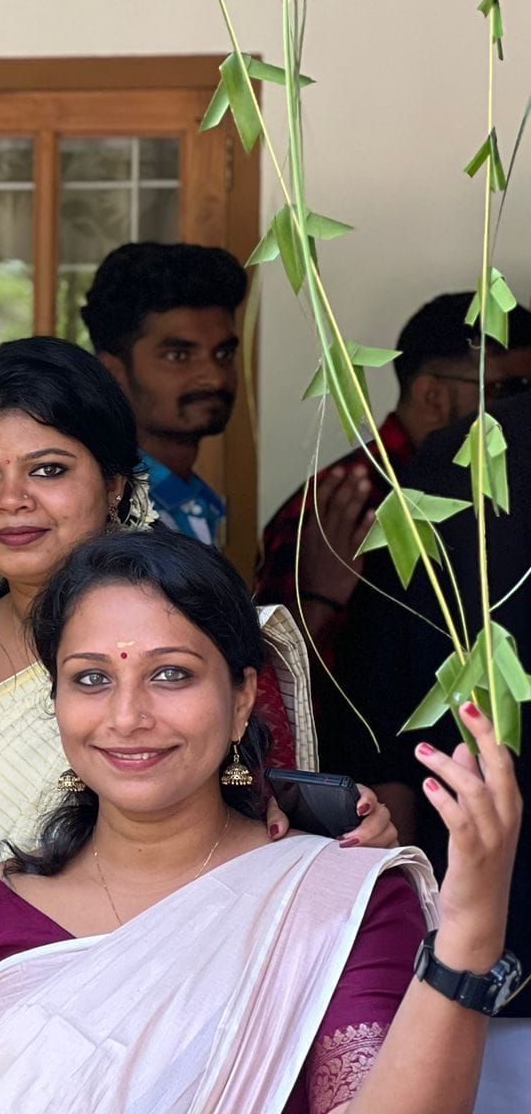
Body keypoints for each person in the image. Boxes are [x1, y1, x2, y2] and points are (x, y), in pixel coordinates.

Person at [0, 530, 522, 1114]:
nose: (127, 716)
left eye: (171, 674)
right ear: (54, 702)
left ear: (241, 701)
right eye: (91, 679)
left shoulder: (337, 901)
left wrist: (469, 933)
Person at [0, 337, 397, 904]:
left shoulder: (203, 637)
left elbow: (270, 825)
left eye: (48, 469)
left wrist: (340, 830)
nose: (11, 499)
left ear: (115, 485)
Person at [330, 392, 531, 1111]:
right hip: (480, 942)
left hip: (475, 952)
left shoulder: (447, 462)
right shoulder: (454, 466)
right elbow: (377, 719)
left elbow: (376, 718)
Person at [256, 292, 531, 661]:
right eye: (507, 390)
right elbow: (276, 678)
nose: (517, 413)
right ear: (433, 397)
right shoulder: (346, 502)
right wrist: (321, 600)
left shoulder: (496, 493)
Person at [81, 241, 248, 546]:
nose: (213, 377)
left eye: (223, 353)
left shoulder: (192, 502)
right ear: (112, 372)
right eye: (178, 356)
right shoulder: (112, 514)